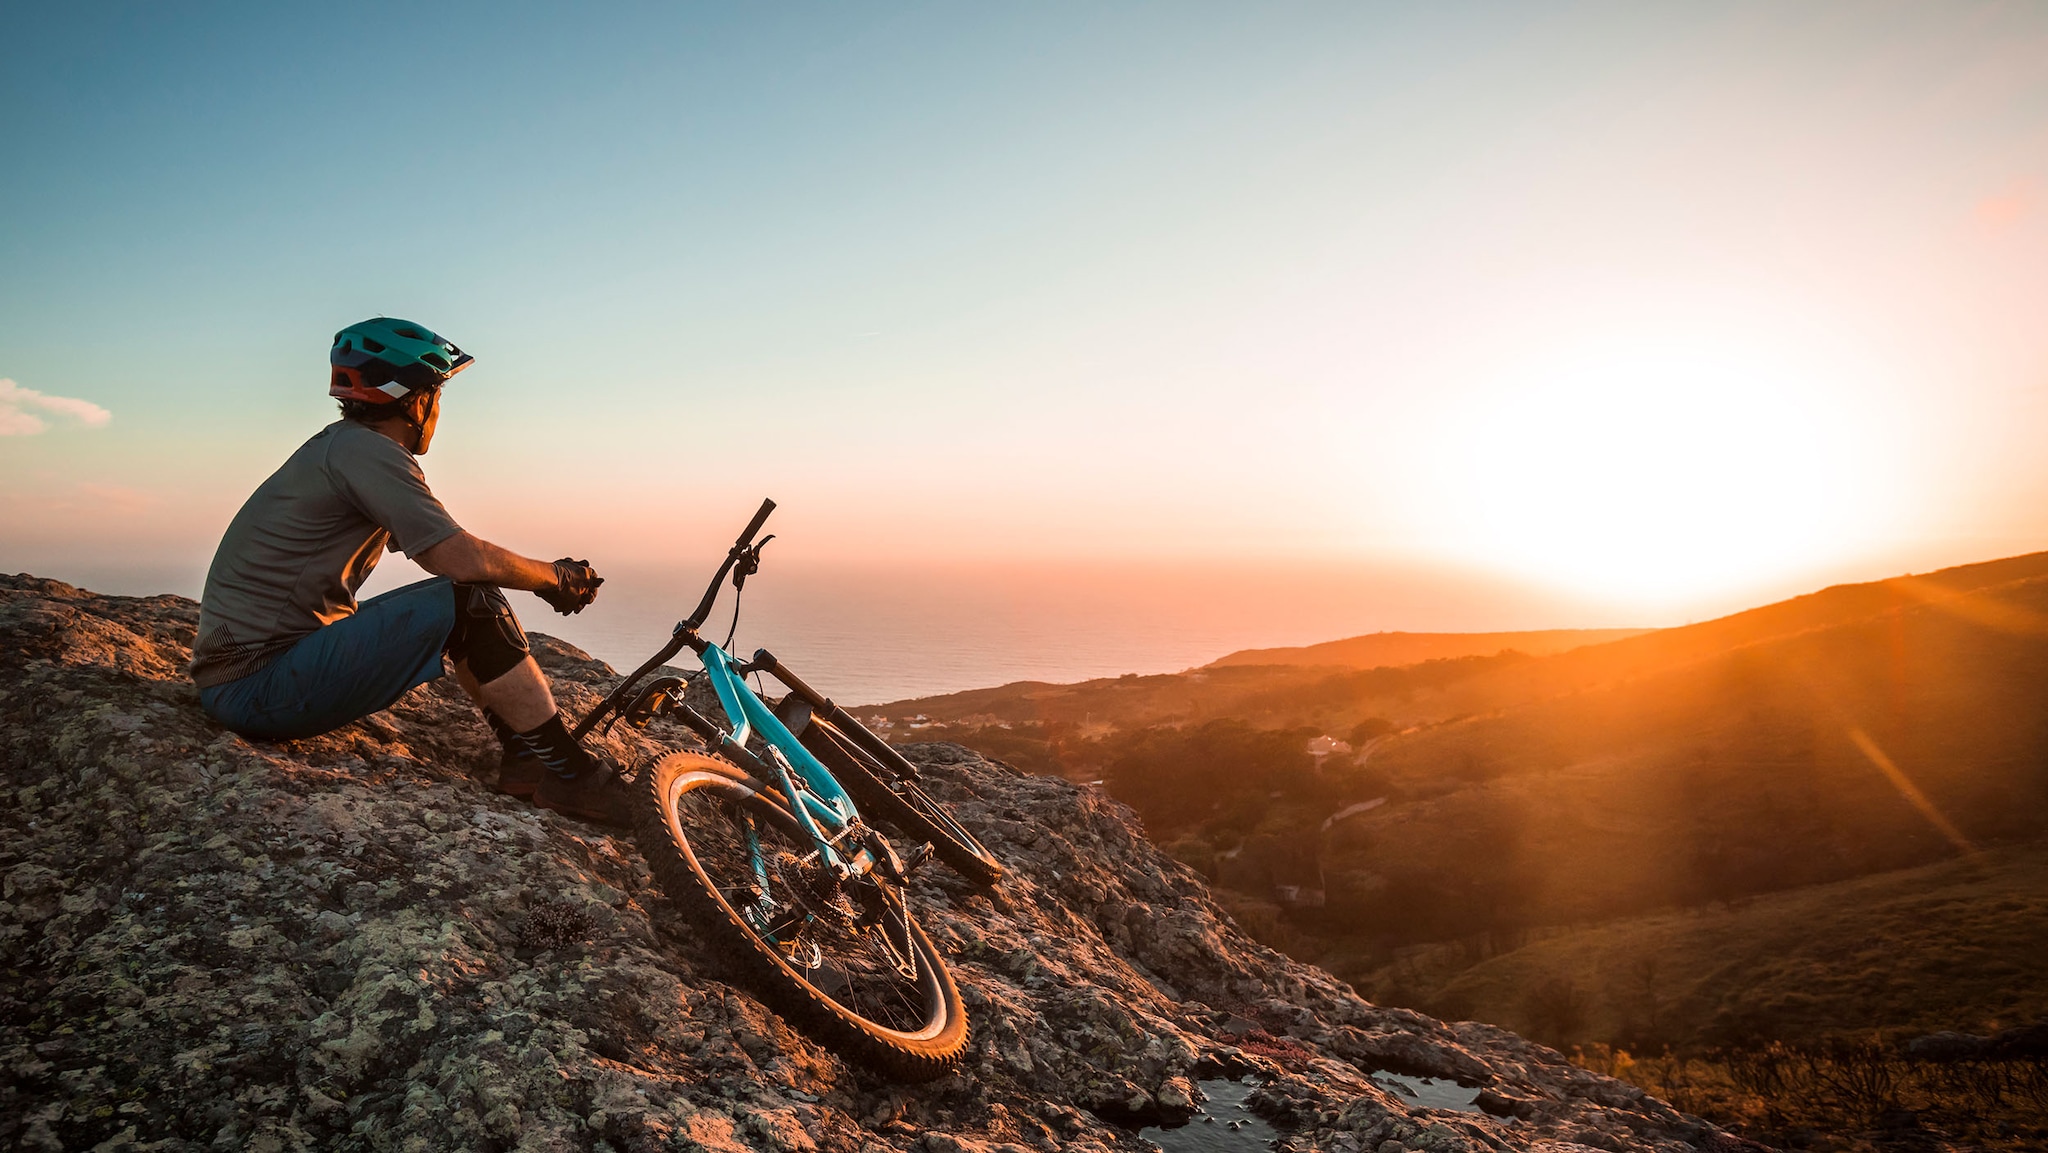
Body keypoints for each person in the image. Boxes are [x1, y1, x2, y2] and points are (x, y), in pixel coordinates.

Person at [189, 317, 629, 826]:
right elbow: (458, 558)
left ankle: (528, 760)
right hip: (258, 688)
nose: (438, 410)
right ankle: (570, 776)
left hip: (250, 680)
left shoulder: (344, 449)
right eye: (436, 395)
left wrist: (544, 577)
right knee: (468, 600)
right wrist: (556, 578)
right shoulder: (366, 452)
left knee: (459, 600)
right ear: (416, 400)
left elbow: (444, 549)